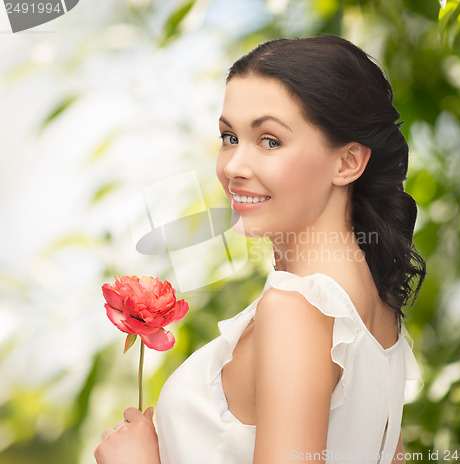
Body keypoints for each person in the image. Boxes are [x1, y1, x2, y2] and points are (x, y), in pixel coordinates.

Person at [94, 34, 426, 464]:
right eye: (229, 137)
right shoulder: (377, 310)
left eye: (270, 141)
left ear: (347, 162)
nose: (233, 167)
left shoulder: (296, 309)